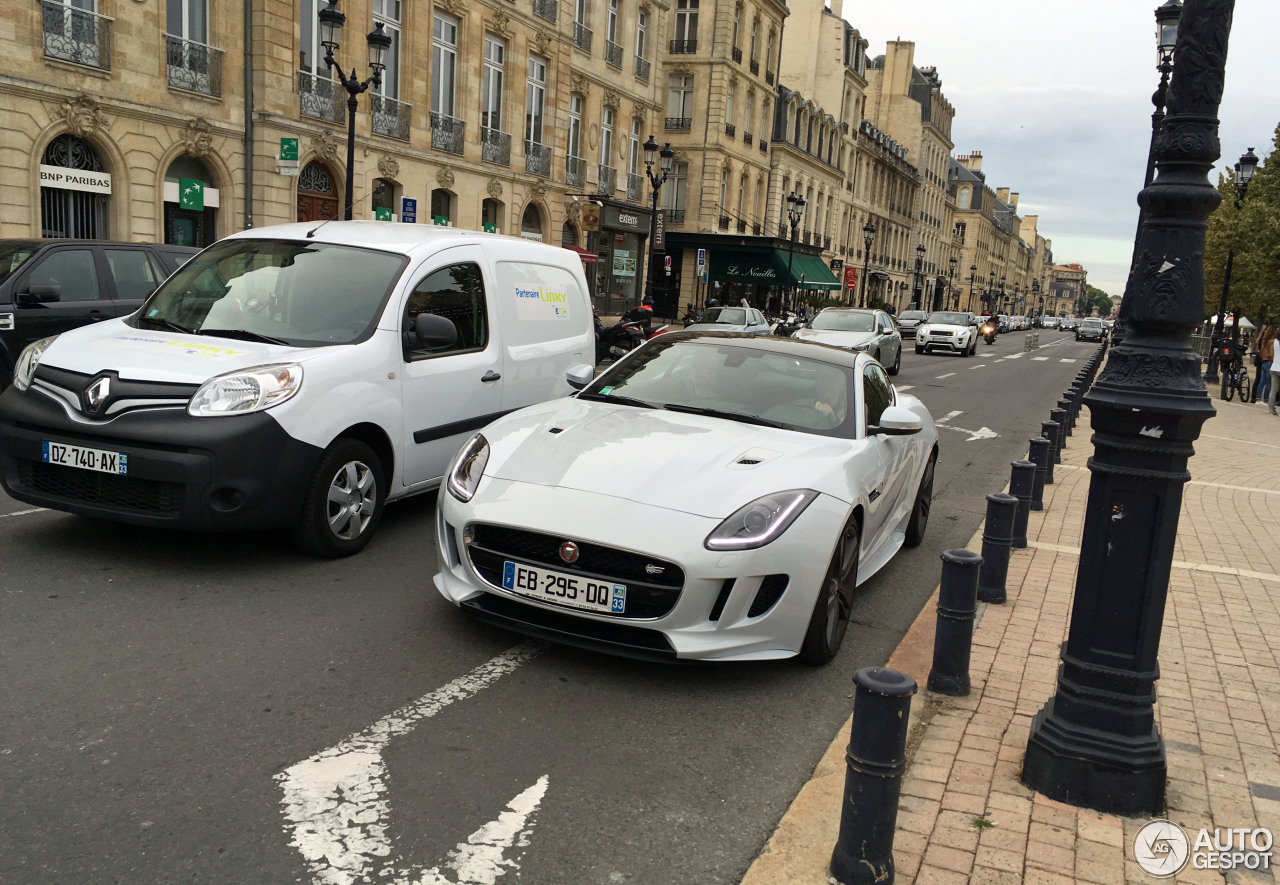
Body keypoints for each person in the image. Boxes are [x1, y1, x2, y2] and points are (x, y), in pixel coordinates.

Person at [1254, 325, 1274, 405]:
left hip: (1264, 361)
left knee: (1262, 381)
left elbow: (1261, 352)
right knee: (1269, 382)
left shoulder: (1264, 341)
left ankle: (1258, 398)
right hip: (1269, 361)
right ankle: (1266, 399)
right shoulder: (1272, 341)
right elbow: (1272, 353)